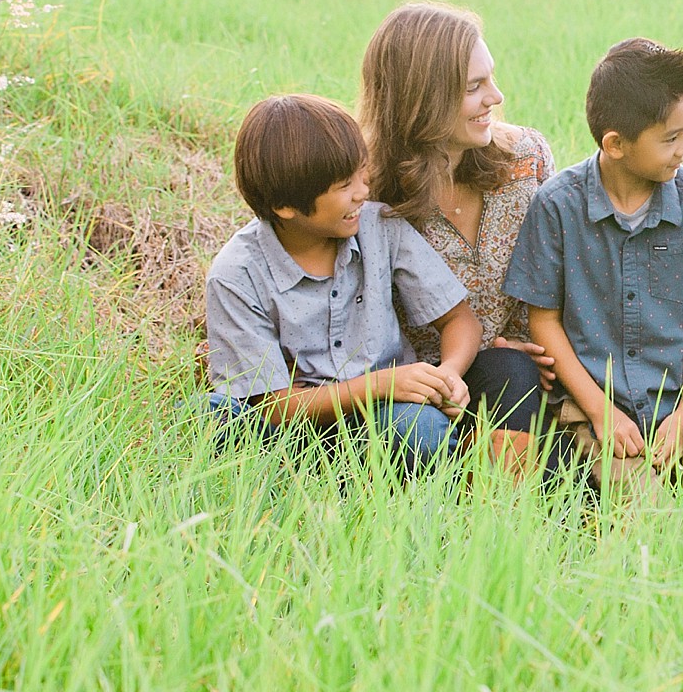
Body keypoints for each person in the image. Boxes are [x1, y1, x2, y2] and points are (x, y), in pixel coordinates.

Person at [503, 38, 683, 482]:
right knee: (643, 506)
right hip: (598, 406)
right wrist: (600, 412)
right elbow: (543, 319)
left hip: (682, 400)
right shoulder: (557, 206)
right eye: (672, 138)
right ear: (616, 144)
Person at [202, 94, 492, 471]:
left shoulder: (381, 226)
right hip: (293, 423)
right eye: (344, 184)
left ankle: (402, 482)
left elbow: (459, 319)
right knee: (212, 416)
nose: (363, 191)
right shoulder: (235, 274)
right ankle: (309, 482)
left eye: (362, 172)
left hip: (384, 415)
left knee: (418, 428)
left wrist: (447, 375)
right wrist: (381, 384)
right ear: (286, 207)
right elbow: (273, 407)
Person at [357, 1, 569, 473]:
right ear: (422, 98)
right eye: (475, 87)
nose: (496, 97)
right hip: (424, 388)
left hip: (534, 370)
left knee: (514, 375)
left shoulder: (526, 160)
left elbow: (564, 273)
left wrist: (525, 337)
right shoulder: (368, 195)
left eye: (490, 78)